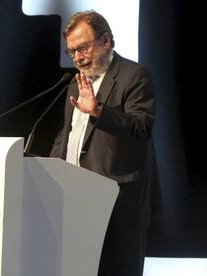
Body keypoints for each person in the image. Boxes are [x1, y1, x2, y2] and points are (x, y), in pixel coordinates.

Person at [50, 10, 157, 276]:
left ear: (106, 40)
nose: (77, 57)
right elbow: (68, 133)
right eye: (71, 51)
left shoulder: (134, 75)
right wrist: (49, 169)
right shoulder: (74, 85)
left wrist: (98, 111)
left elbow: (141, 127)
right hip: (74, 201)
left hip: (116, 204)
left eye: (83, 48)